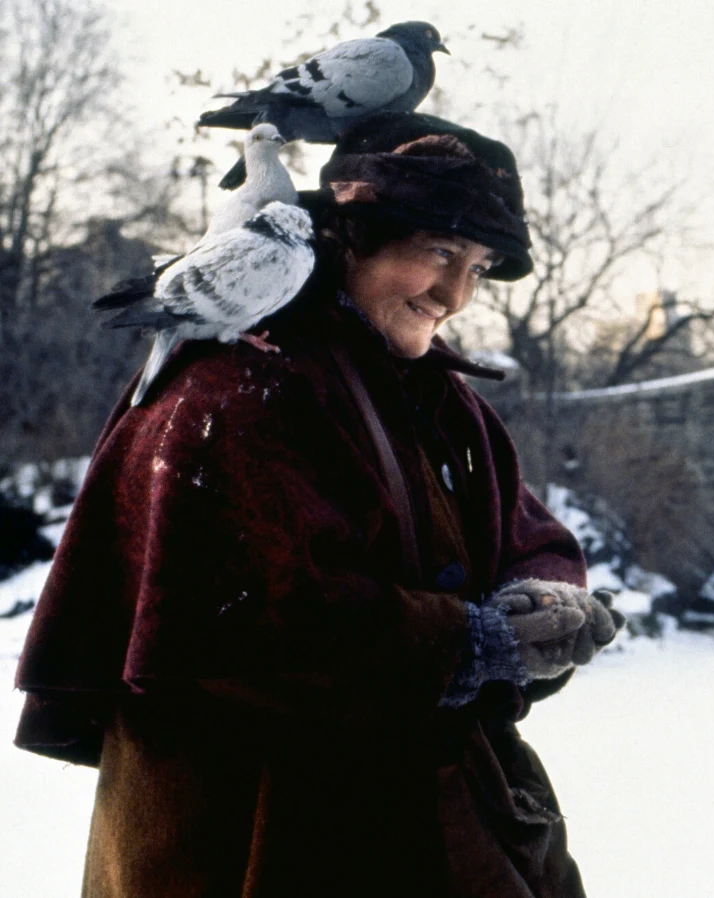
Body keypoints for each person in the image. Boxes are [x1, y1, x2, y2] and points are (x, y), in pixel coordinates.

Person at [13, 112, 621, 898]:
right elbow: (246, 618)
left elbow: (523, 529)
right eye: (437, 252)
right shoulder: (235, 387)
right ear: (348, 238)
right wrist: (465, 645)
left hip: (441, 822)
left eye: (477, 264)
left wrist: (543, 602)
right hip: (259, 839)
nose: (456, 294)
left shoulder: (433, 393)